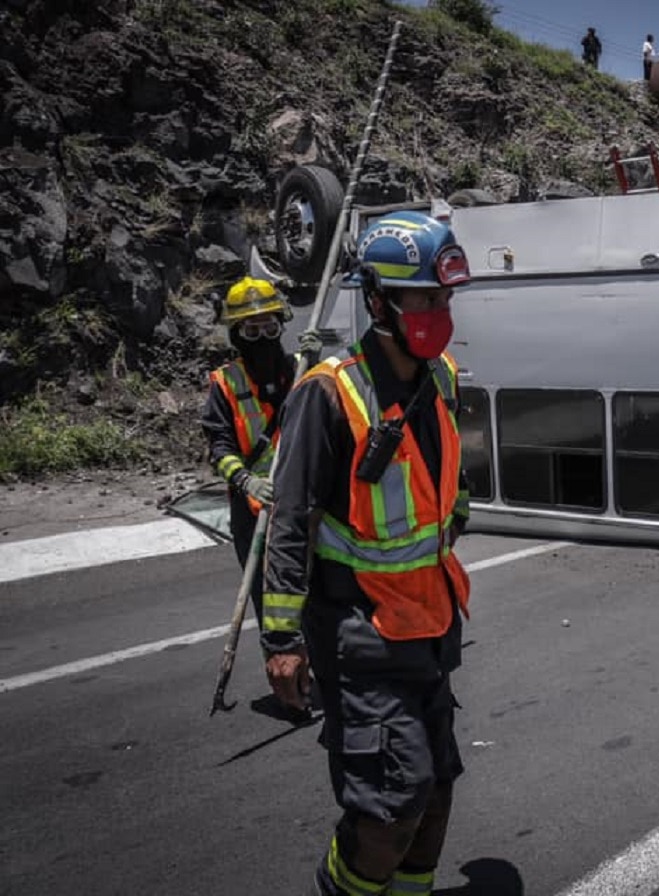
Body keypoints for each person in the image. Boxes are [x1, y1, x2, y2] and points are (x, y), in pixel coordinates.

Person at [261, 210, 475, 896]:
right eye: (424, 298)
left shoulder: (438, 377)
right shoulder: (327, 393)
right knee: (391, 806)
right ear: (378, 299)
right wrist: (281, 640)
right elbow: (289, 520)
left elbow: (439, 485)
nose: (438, 312)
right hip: (361, 633)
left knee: (436, 793)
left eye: (444, 298)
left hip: (433, 624)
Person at [201, 276, 318, 634]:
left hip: (304, 504)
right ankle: (282, 670)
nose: (263, 338)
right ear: (236, 335)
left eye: (269, 327)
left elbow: (329, 413)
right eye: (252, 331)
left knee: (316, 592)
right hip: (254, 510)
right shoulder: (226, 384)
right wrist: (245, 480)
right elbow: (218, 448)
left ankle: (320, 668)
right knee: (270, 598)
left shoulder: (302, 369)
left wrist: (318, 364)